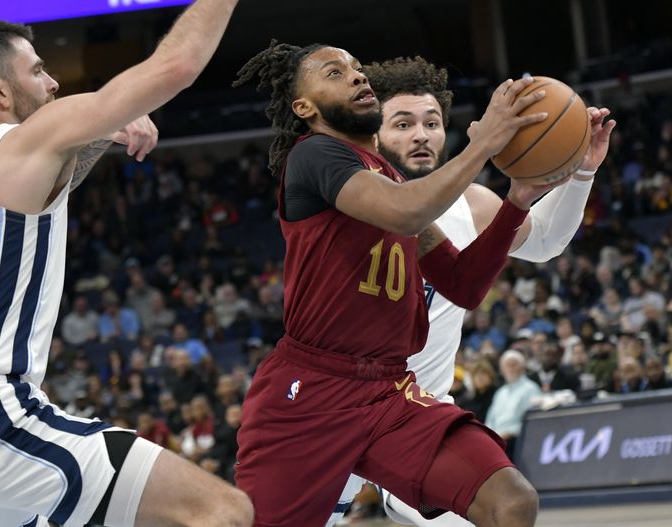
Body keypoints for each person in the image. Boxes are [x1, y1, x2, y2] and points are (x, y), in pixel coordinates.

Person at [0, 2, 254, 527]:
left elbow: (53, 181)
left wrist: (99, 131)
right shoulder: (18, 142)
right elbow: (175, 68)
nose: (52, 85)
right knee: (222, 512)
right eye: (38, 70)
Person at [233, 40, 567, 527]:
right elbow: (405, 212)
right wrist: (484, 145)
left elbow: (465, 283)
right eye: (334, 72)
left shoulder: (389, 179)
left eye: (356, 68)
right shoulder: (314, 156)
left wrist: (516, 201)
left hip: (388, 390)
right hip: (310, 395)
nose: (356, 76)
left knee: (511, 499)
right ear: (304, 106)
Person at [329, 55, 615, 526]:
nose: (421, 134)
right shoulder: (343, 195)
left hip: (415, 415)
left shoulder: (469, 204)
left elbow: (544, 242)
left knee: (502, 509)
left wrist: (582, 172)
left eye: (432, 122)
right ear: (373, 131)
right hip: (335, 408)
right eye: (403, 123)